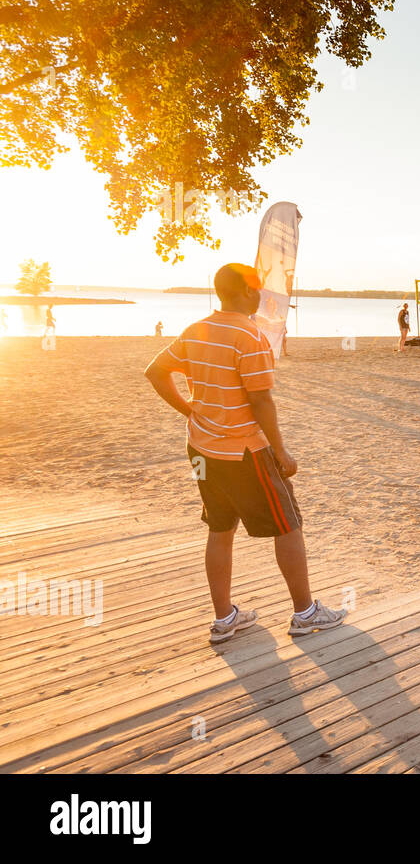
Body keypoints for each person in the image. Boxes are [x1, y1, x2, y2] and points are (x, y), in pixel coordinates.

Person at [144, 263, 346, 643]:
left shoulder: (196, 329)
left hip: (201, 449)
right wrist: (282, 452)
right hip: (245, 451)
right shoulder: (250, 336)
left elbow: (155, 371)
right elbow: (260, 401)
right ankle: (304, 613)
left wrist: (190, 409)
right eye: (259, 289)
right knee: (287, 524)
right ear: (249, 292)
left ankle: (225, 619)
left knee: (220, 528)